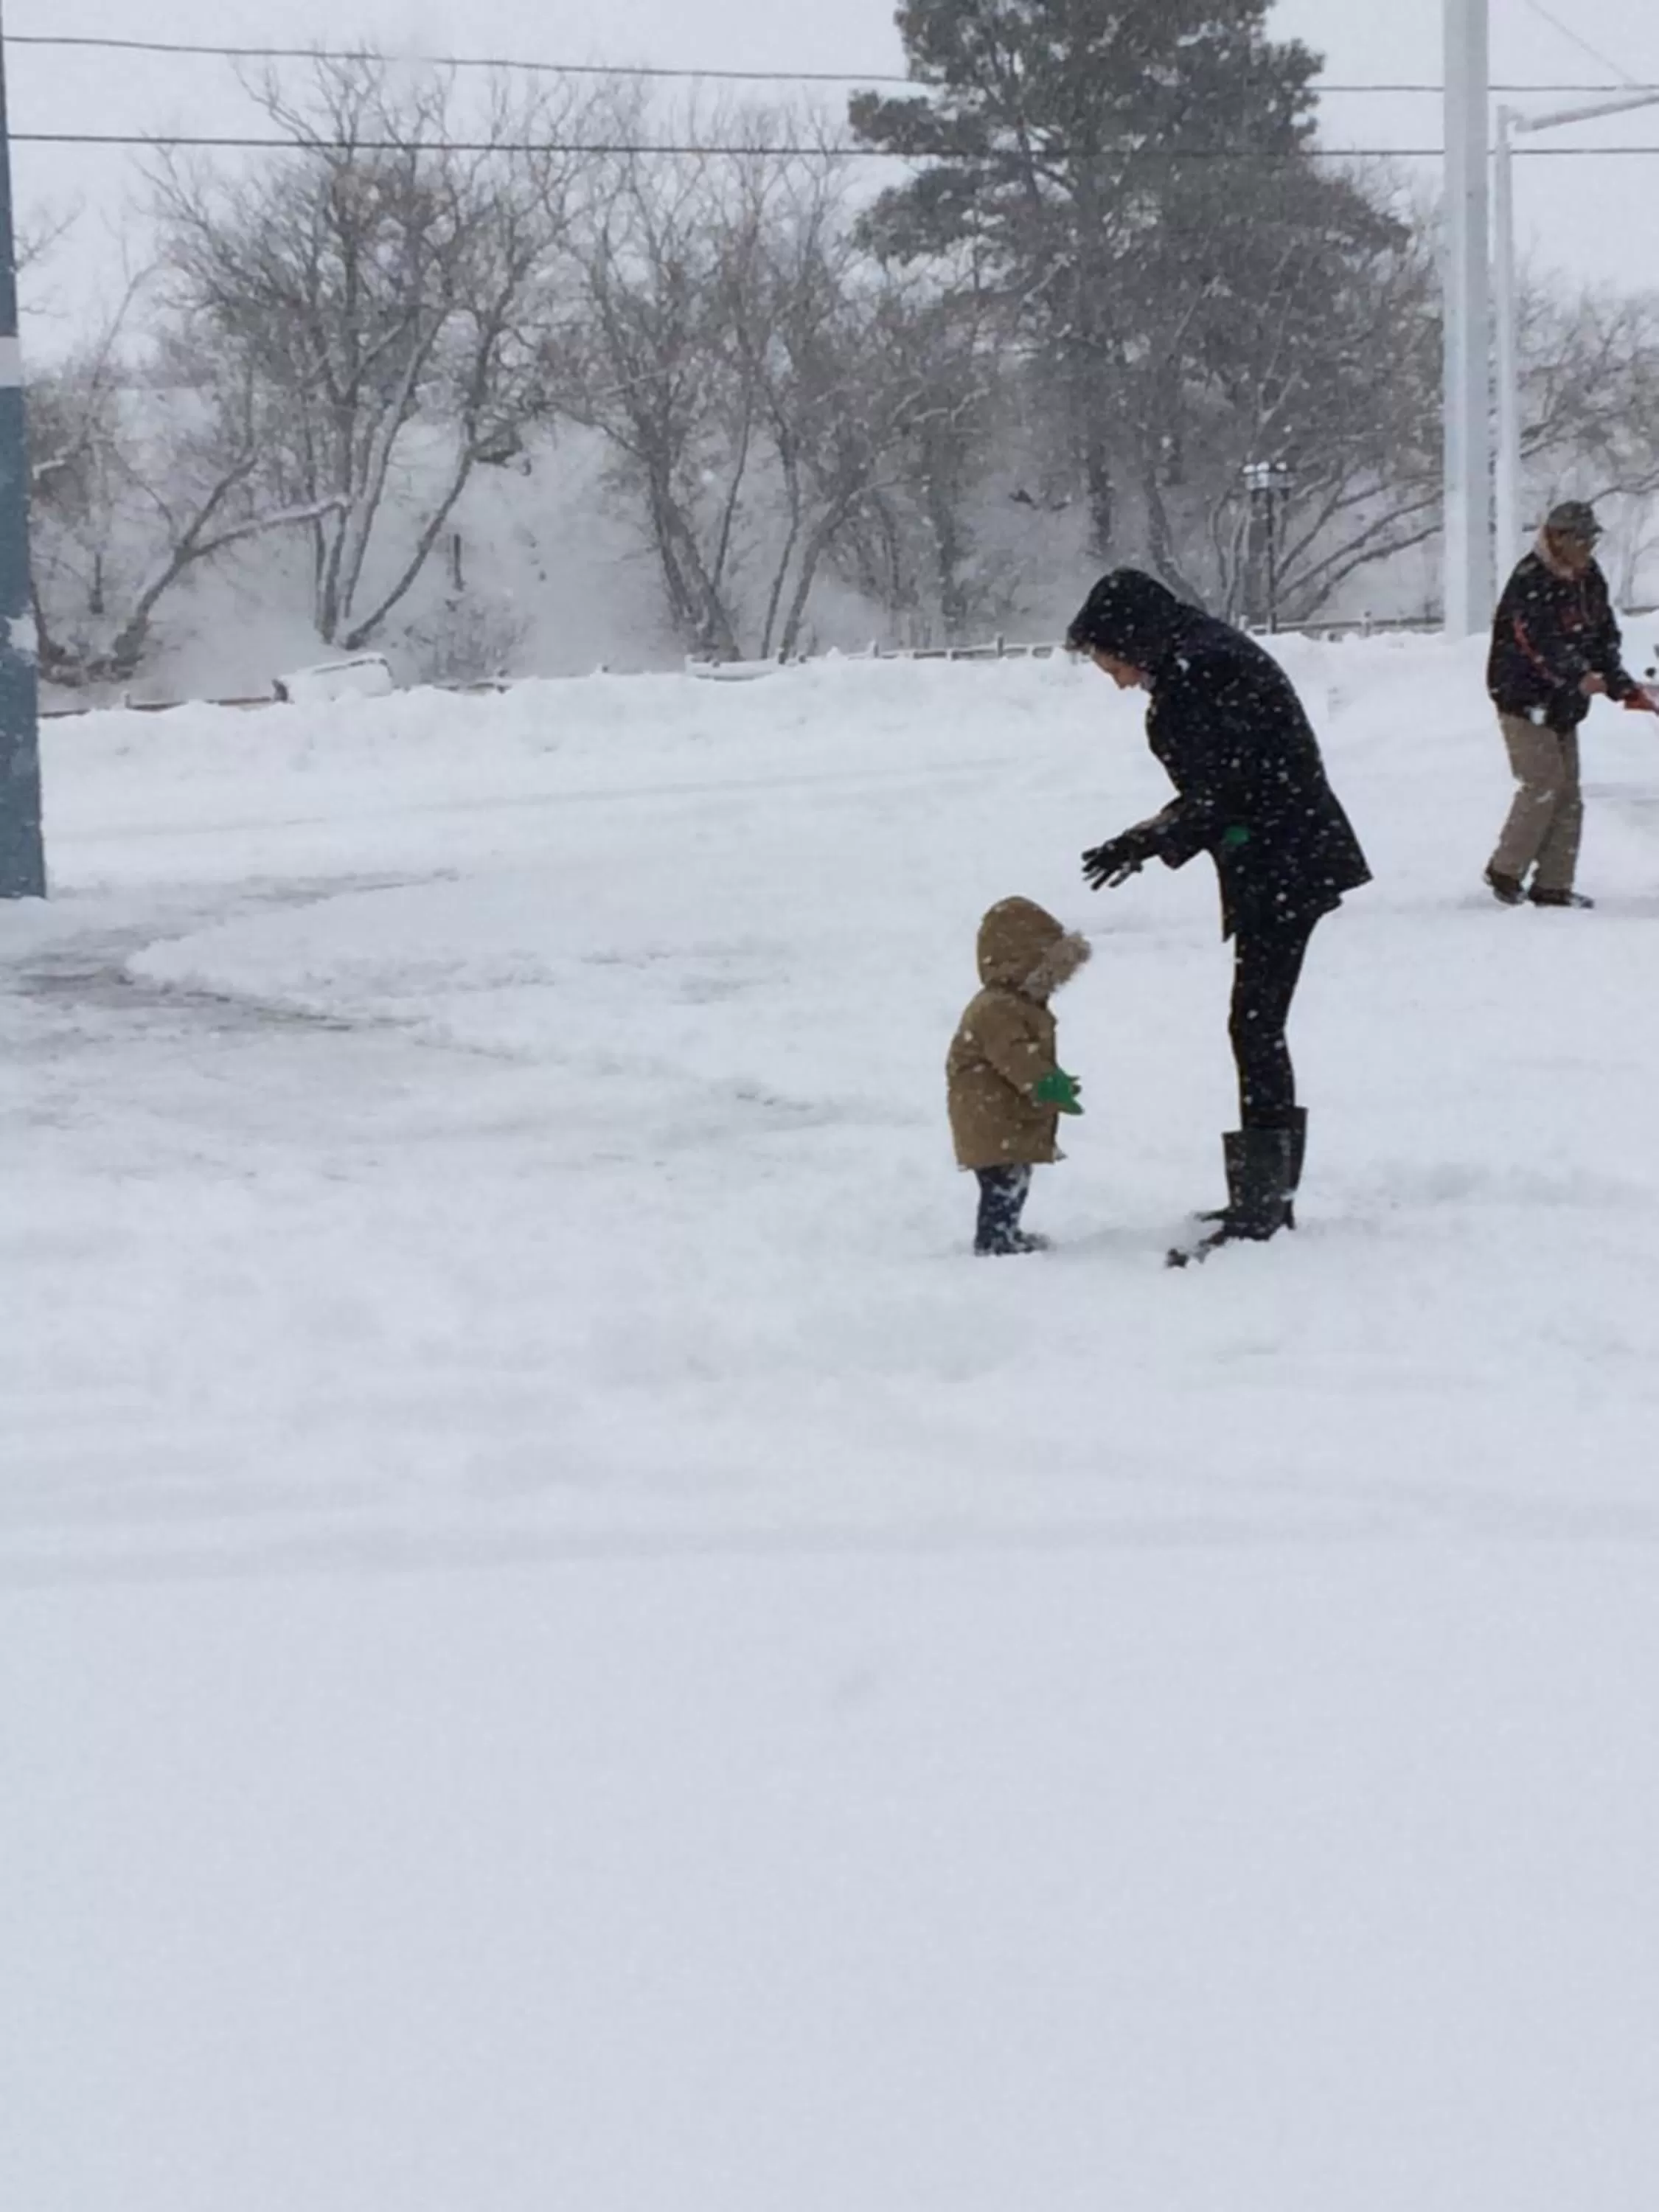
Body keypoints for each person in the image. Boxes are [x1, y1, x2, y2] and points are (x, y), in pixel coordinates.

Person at [1065, 568, 1371, 1259]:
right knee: (1258, 1022)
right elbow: (1228, 786)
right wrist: (1158, 833)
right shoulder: (1198, 657)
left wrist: (1150, 838)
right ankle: (1267, 1198)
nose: (1113, 678)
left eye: (1108, 660)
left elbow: (1233, 788)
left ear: (1128, 637)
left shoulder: (1201, 671)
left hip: (1285, 858)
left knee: (1255, 1022)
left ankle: (1264, 1207)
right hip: (1284, 853)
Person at [1484, 498, 1656, 910]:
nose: (1588, 547)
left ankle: (1554, 886)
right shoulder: (1531, 579)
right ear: (1556, 538)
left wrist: (1616, 681)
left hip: (1563, 704)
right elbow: (1535, 642)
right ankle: (1505, 871)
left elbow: (1602, 634)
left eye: (1592, 538)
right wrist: (1578, 678)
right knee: (1543, 784)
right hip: (1524, 698)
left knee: (1568, 792)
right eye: (1581, 539)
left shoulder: (1588, 577)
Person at [947, 897, 1091, 1256]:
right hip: (993, 1116)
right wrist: (1046, 1083)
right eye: (1047, 970)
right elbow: (1016, 1057)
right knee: (1003, 1182)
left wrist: (1052, 1080)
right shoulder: (997, 1008)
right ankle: (995, 1241)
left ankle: (1006, 1234)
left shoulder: (1016, 1003)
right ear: (1021, 963)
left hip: (1005, 1114)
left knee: (1014, 1179)